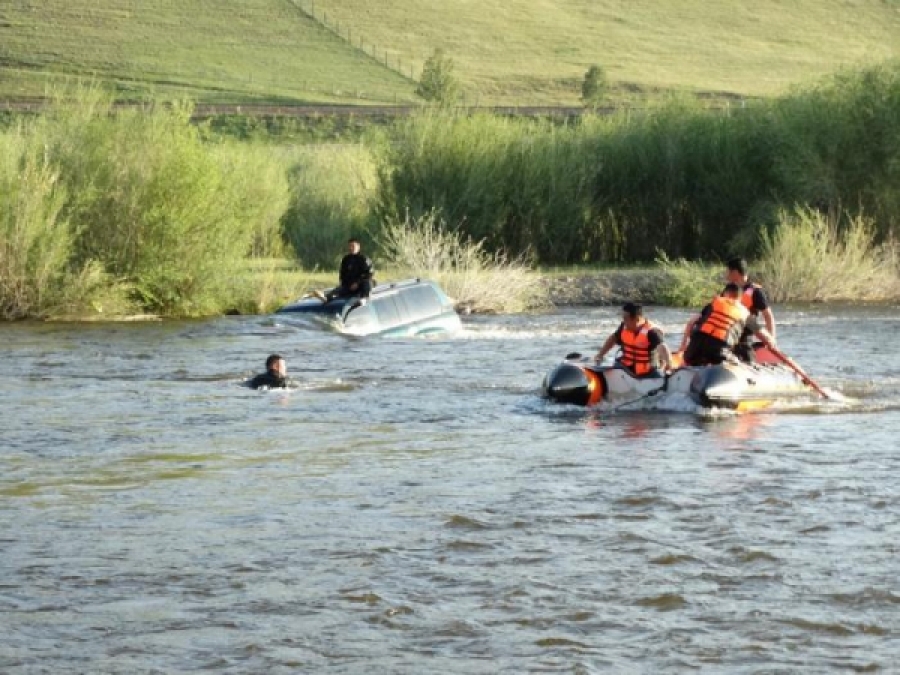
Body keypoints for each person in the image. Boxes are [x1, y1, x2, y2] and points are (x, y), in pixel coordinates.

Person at [680, 283, 776, 366]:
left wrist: (683, 347)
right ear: (740, 297)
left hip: (694, 349)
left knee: (693, 357)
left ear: (725, 294)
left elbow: (691, 322)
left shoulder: (713, 304)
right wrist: (771, 343)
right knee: (738, 363)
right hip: (719, 353)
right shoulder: (744, 313)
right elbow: (766, 338)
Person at [594, 302, 673, 378]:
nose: (623, 321)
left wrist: (669, 364)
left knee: (660, 377)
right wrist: (600, 355)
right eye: (623, 318)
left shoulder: (651, 331)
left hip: (648, 372)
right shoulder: (624, 326)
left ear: (637, 319)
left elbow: (662, 347)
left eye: (626, 318)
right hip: (624, 367)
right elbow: (613, 339)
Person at [725, 257, 776, 362]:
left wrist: (771, 339)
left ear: (735, 273)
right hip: (726, 338)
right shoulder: (729, 289)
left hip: (744, 340)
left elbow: (768, 315)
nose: (726, 275)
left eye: (728, 272)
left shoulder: (756, 291)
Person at [320, 238, 375, 304]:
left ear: (358, 247)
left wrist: (357, 283)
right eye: (349, 246)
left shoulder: (364, 259)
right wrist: (344, 283)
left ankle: (365, 298)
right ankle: (326, 298)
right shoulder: (346, 259)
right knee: (338, 291)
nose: (351, 248)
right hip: (349, 286)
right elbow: (342, 273)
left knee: (368, 282)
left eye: (353, 246)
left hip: (361, 285)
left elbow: (370, 273)